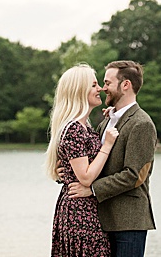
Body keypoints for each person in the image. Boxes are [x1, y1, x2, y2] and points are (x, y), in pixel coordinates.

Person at [67, 60, 157, 257]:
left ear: (125, 85)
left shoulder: (141, 123)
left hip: (128, 222)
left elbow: (135, 175)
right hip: (101, 219)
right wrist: (66, 171)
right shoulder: (108, 120)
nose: (103, 88)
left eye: (107, 83)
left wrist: (91, 189)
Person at [46, 64, 119, 257]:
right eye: (94, 85)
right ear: (79, 91)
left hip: (86, 208)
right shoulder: (74, 129)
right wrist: (107, 145)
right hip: (80, 213)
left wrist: (111, 119)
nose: (100, 89)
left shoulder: (84, 126)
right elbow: (85, 177)